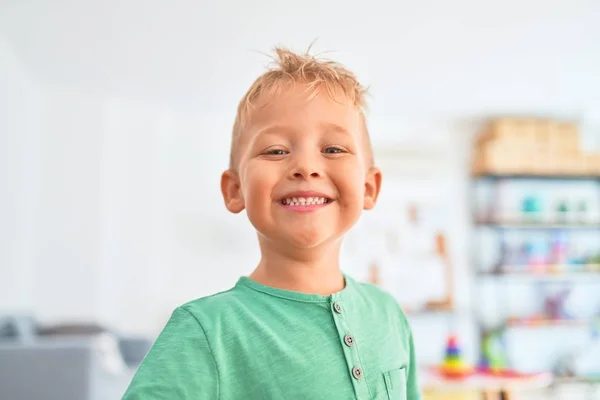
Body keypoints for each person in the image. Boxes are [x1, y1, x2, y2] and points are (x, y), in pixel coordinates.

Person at [122, 46, 421, 400]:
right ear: (235, 190)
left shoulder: (389, 313)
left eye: (334, 149)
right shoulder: (206, 329)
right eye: (276, 151)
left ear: (369, 188)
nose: (305, 166)